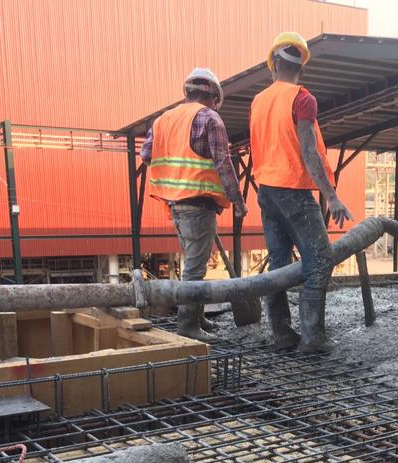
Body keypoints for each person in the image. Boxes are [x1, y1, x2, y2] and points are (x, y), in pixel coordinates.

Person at [249, 32, 352, 353]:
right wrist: (332, 196)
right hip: (293, 190)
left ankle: (281, 333)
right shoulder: (302, 98)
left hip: (266, 191)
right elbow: (308, 152)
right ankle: (313, 337)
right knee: (320, 259)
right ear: (301, 68)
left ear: (273, 65)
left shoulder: (258, 100)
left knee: (279, 265)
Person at [142, 68, 246, 340]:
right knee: (195, 268)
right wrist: (237, 200)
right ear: (214, 97)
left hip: (175, 203)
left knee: (193, 261)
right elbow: (223, 162)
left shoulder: (163, 119)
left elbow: (146, 154)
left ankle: (198, 317)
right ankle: (187, 325)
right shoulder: (209, 117)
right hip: (198, 202)